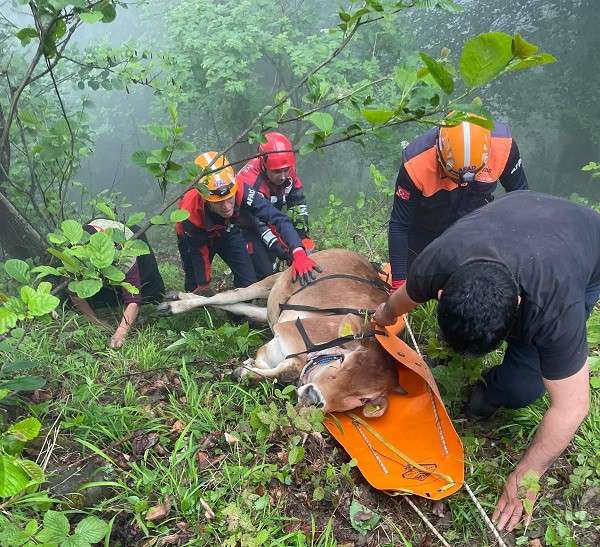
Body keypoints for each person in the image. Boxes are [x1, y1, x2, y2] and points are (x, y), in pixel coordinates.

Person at [374, 191, 600, 532]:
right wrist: (382, 315)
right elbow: (401, 300)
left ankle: (494, 388)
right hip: (519, 212)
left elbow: (572, 407)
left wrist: (527, 474)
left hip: (584, 242)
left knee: (521, 388)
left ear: (521, 304)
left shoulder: (554, 306)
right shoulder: (437, 261)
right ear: (441, 293)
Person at [388, 117, 528, 291]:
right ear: (439, 152)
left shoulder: (503, 146)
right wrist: (399, 283)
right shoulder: (416, 164)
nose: (461, 181)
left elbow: (521, 198)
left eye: (473, 174)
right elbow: (399, 225)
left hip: (475, 225)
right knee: (417, 284)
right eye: (454, 175)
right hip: (425, 228)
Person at [176, 151, 320, 294]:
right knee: (194, 283)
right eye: (219, 202)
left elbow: (276, 217)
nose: (226, 207)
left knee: (248, 283)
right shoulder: (189, 210)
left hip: (227, 229)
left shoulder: (239, 188)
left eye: (229, 198)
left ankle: (236, 316)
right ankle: (195, 307)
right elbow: (198, 250)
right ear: (205, 198)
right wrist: (203, 284)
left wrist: (297, 250)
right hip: (195, 236)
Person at [70, 219, 165, 349]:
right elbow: (74, 292)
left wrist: (121, 333)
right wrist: (95, 321)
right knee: (98, 289)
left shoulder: (124, 254)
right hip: (97, 231)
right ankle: (111, 304)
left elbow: (133, 298)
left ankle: (153, 307)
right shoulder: (74, 253)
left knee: (148, 284)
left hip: (130, 235)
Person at [236, 132, 314, 279]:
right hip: (245, 225)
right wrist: (286, 251)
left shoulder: (288, 169)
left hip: (271, 216)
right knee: (264, 272)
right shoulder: (250, 181)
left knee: (289, 249)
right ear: (264, 164)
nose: (283, 176)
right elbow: (260, 225)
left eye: (286, 170)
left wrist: (301, 237)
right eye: (277, 171)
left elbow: (297, 204)